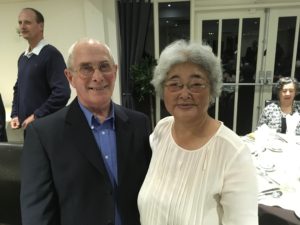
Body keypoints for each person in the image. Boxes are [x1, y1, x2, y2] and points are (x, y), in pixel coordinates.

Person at [20, 38, 152, 225]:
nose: (97, 77)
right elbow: (37, 213)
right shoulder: (44, 134)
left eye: (104, 66)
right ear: (69, 77)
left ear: (115, 71)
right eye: (86, 68)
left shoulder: (140, 124)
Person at [138, 40, 258, 225]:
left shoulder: (233, 153)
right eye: (174, 84)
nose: (184, 93)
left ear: (212, 89)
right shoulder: (162, 130)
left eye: (195, 84)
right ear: (163, 89)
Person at [10, 8, 70, 130]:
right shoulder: (23, 58)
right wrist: (15, 114)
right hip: (29, 128)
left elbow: (62, 93)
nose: (22, 26)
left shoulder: (51, 54)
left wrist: (37, 116)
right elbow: (18, 89)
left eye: (27, 22)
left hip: (47, 130)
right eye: (20, 22)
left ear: (41, 26)